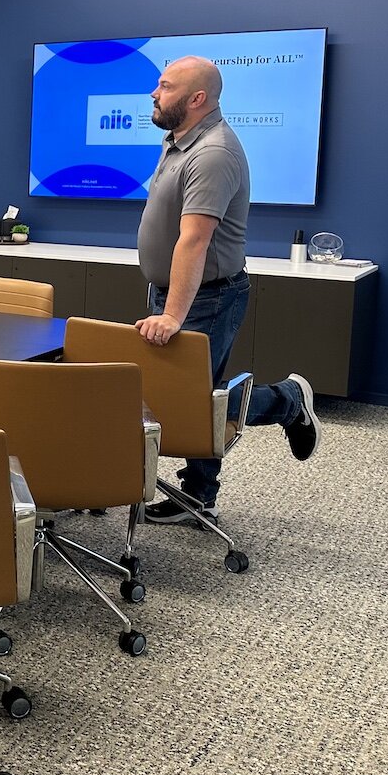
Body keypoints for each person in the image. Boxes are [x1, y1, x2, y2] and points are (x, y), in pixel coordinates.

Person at [133, 54, 321, 522]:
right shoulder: (178, 140)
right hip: (177, 292)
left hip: (207, 296)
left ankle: (288, 401)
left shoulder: (213, 152)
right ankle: (198, 494)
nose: (154, 94)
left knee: (192, 404)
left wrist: (174, 314)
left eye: (166, 87)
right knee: (194, 395)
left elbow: (194, 240)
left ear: (197, 99)